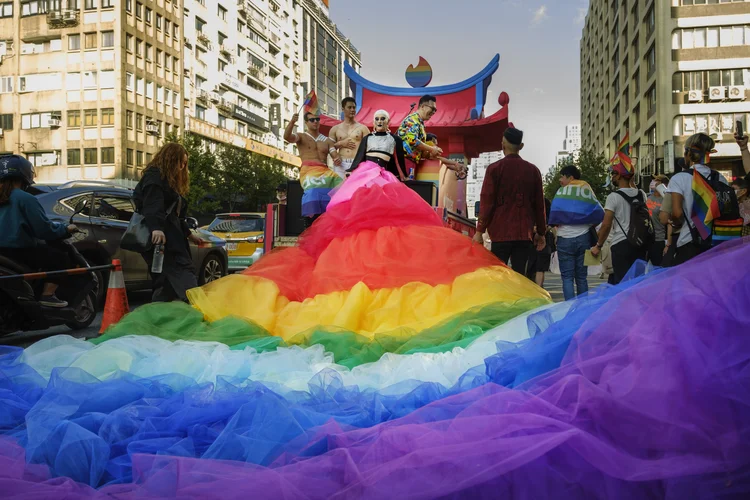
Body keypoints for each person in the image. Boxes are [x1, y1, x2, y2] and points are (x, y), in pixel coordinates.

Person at [0, 155, 79, 307]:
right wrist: (65, 229)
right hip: (17, 252)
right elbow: (44, 231)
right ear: (25, 175)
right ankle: (47, 296)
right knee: (60, 258)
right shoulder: (25, 198)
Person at [133, 143, 202, 303]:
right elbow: (152, 205)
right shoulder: (154, 177)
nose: (183, 167)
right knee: (185, 280)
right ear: (171, 159)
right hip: (164, 242)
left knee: (165, 285)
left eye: (185, 163)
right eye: (181, 162)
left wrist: (189, 235)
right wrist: (156, 228)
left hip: (169, 240)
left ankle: (159, 321)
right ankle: (196, 314)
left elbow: (176, 216)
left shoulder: (166, 180)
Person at [472, 127, 547, 275]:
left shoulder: (494, 169)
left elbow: (487, 202)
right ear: (521, 146)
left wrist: (479, 231)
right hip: (524, 233)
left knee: (498, 275)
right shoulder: (533, 171)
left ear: (503, 144)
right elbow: (539, 205)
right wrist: (541, 232)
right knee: (521, 275)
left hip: (500, 233)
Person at [667, 133, 734, 266]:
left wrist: (674, 223)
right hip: (717, 242)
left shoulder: (679, 178)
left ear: (688, 153)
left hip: (689, 242)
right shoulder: (720, 178)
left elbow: (677, 213)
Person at [327, 110, 407, 210]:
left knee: (384, 203)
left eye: (383, 119)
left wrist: (403, 176)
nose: (379, 121)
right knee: (361, 201)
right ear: (373, 122)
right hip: (365, 172)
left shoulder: (395, 139)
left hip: (383, 174)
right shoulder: (367, 138)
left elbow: (398, 160)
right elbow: (360, 157)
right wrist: (351, 171)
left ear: (388, 121)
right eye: (377, 119)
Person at [549, 164, 604, 300]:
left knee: (567, 278)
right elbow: (599, 213)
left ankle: (569, 309)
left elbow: (554, 216)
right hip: (583, 238)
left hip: (564, 239)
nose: (560, 180)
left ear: (571, 177)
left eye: (562, 176)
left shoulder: (561, 192)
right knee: (581, 277)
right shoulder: (586, 189)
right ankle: (582, 309)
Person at [590, 162, 649, 285]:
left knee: (621, 283)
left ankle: (623, 304)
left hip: (621, 244)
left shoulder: (613, 197)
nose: (612, 177)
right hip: (640, 243)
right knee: (638, 283)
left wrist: (598, 245)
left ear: (619, 176)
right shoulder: (642, 194)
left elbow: (606, 225)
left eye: (613, 174)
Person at [284, 109, 343, 228]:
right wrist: (291, 122)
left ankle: (333, 219)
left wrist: (337, 158)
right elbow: (287, 137)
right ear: (306, 122)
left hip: (325, 171)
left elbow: (334, 154)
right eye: (312, 120)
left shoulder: (326, 140)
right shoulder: (301, 136)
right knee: (313, 192)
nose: (315, 121)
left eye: (317, 119)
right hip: (309, 171)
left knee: (342, 187)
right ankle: (309, 220)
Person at [397, 95, 443, 176]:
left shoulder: (419, 123)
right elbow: (413, 141)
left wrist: (430, 153)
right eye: (432, 109)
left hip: (410, 162)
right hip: (405, 161)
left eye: (435, 110)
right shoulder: (412, 120)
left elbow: (418, 149)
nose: (433, 112)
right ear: (422, 106)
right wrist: (431, 149)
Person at [329, 97, 370, 179]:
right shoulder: (335, 129)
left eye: (354, 107)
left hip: (357, 163)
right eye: (349, 107)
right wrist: (340, 145)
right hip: (340, 164)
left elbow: (369, 147)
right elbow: (329, 147)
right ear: (343, 109)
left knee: (356, 189)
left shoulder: (363, 128)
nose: (352, 110)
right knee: (340, 189)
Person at [647, 175, 669, 266]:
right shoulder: (648, 197)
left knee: (657, 267)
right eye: (653, 180)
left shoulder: (665, 199)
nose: (654, 182)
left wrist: (668, 244)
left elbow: (668, 222)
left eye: (657, 180)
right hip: (647, 238)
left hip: (659, 239)